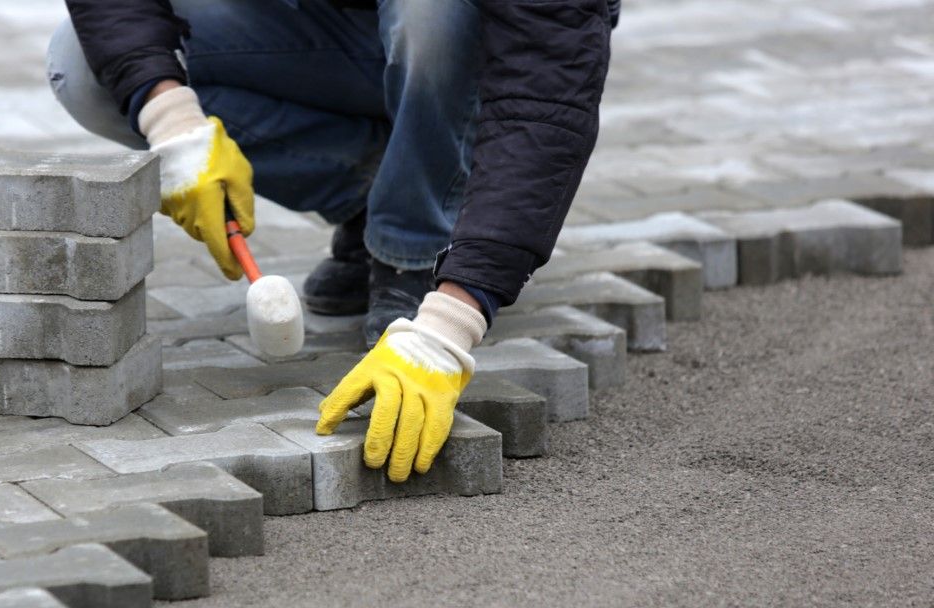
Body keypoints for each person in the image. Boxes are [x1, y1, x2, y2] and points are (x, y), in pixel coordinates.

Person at [49, 0, 616, 482]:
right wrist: (171, 121)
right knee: (82, 63)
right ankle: (383, 192)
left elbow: (548, 91)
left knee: (434, 14)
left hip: (472, 37)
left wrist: (454, 322)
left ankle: (416, 246)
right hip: (326, 29)